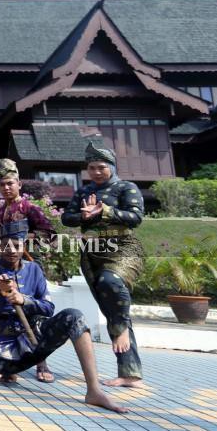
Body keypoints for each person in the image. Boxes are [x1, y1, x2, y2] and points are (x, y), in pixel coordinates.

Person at [0, 220, 127, 414]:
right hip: (1, 345)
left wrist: (24, 300)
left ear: (24, 245)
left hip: (35, 342)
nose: (11, 249)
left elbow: (48, 308)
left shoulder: (34, 269)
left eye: (16, 245)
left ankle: (94, 391)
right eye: (5, 245)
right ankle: (7, 369)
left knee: (74, 316)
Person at [61, 142, 145, 388]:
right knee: (110, 305)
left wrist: (104, 210)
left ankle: (120, 330)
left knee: (112, 282)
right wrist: (83, 216)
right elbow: (67, 217)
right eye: (92, 168)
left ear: (111, 166)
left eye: (101, 167)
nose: (96, 172)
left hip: (123, 248)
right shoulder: (84, 191)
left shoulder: (125, 187)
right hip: (93, 252)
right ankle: (130, 374)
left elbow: (136, 217)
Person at [0, 158, 57, 383]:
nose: (6, 188)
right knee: (7, 310)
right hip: (5, 264)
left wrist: (23, 242)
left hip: (28, 264)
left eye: (10, 183)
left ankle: (41, 362)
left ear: (19, 184)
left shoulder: (29, 208)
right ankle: (10, 363)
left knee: (33, 310)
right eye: (2, 184)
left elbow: (49, 233)